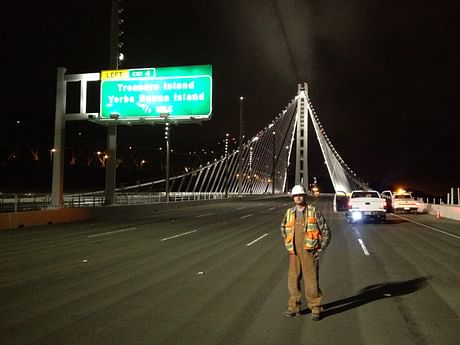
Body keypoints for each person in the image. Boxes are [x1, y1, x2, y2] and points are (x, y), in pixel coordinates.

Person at [280, 184, 331, 321]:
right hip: (294, 252)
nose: (298, 197)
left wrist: (321, 246)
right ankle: (294, 307)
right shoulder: (290, 212)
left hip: (309, 251)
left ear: (304, 196)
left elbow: (325, 230)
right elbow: (283, 227)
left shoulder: (314, 211)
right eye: (296, 196)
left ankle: (315, 308)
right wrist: (288, 242)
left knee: (311, 281)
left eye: (300, 195)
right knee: (292, 281)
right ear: (293, 198)